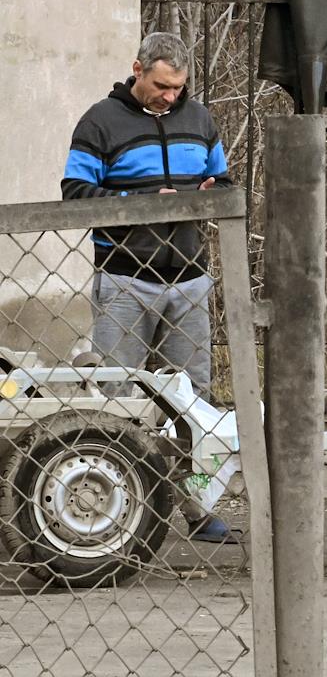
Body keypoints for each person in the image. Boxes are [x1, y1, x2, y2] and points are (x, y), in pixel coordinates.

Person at [61, 32, 240, 544]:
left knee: (193, 404)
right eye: (162, 86)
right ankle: (116, 509)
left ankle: (197, 509)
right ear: (137, 70)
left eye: (178, 88)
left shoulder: (200, 119)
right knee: (117, 400)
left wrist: (211, 193)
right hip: (124, 278)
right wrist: (139, 205)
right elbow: (74, 193)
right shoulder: (99, 121)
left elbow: (224, 183)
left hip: (189, 278)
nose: (170, 96)